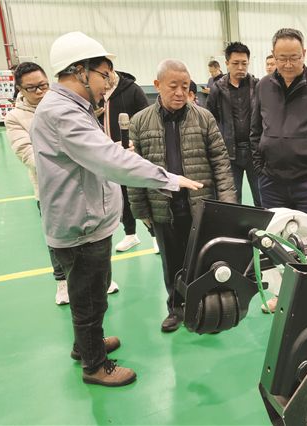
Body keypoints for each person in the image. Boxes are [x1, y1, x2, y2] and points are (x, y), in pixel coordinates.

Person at [31, 32, 204, 387]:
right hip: (80, 224)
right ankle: (94, 364)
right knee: (89, 297)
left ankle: (86, 343)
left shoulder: (69, 107)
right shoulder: (64, 112)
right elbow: (109, 160)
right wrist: (168, 178)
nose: (107, 83)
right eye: (103, 74)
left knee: (92, 292)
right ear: (80, 71)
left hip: (84, 218)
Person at [129, 59, 236, 333]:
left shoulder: (204, 117)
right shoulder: (140, 122)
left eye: (185, 86)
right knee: (172, 263)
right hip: (163, 208)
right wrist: (140, 210)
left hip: (200, 207)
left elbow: (220, 162)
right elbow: (134, 170)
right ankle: (176, 309)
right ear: (157, 85)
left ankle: (206, 309)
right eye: (173, 86)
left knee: (204, 261)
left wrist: (227, 205)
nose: (179, 93)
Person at [250, 28, 307, 314]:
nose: (288, 64)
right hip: (272, 182)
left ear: (304, 54)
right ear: (273, 56)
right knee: (275, 242)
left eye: (294, 57)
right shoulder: (263, 86)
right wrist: (260, 168)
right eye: (282, 58)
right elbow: (254, 131)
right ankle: (282, 295)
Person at [6, 62, 70, 305]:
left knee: (92, 237)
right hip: (48, 190)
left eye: (43, 85)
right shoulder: (15, 117)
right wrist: (70, 161)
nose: (40, 91)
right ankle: (62, 283)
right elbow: (26, 153)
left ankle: (102, 279)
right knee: (57, 240)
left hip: (81, 186)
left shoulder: (63, 104)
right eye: (32, 88)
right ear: (20, 90)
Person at [98, 70, 157, 256]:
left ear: (111, 72)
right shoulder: (97, 94)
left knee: (141, 193)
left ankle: (155, 235)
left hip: (131, 153)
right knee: (121, 196)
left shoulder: (132, 90)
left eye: (105, 76)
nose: (103, 82)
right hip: (108, 156)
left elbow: (147, 119)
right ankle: (130, 234)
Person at [207, 42, 261, 206]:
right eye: (235, 63)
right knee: (231, 200)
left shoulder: (257, 86)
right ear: (227, 63)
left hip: (255, 153)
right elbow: (210, 119)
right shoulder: (217, 89)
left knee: (262, 198)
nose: (240, 67)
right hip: (229, 154)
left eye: (244, 63)